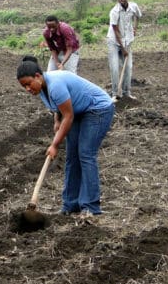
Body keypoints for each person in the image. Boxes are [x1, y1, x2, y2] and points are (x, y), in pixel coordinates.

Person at [17, 56, 114, 216]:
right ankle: (70, 204)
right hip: (78, 110)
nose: (27, 88)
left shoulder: (55, 85)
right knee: (72, 156)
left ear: (38, 76)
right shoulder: (41, 88)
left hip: (98, 109)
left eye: (28, 84)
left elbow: (68, 116)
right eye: (24, 86)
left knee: (85, 154)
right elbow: (59, 107)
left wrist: (55, 145)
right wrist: (57, 120)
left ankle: (91, 206)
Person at [107, 0, 142, 101]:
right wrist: (123, 49)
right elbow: (116, 31)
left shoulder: (133, 6)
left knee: (128, 67)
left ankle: (127, 93)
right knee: (114, 67)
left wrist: (135, 28)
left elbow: (138, 16)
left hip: (127, 40)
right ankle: (115, 93)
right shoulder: (114, 11)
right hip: (114, 41)